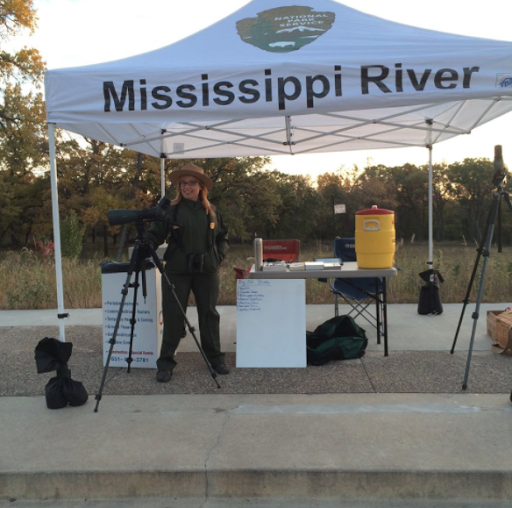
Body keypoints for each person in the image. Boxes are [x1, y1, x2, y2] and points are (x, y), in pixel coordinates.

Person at [146, 162, 230, 383]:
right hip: (177, 270)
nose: (187, 187)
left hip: (207, 270)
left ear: (201, 186)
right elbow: (156, 234)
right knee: (173, 316)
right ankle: (165, 364)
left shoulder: (212, 212)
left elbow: (223, 238)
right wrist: (147, 243)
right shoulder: (171, 211)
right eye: (183, 183)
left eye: (192, 183)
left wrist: (217, 257)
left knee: (209, 315)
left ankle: (216, 359)